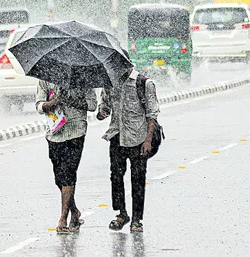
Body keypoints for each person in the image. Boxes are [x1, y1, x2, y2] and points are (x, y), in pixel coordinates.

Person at [98, 66, 160, 233]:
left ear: (128, 66)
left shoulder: (144, 83)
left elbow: (152, 114)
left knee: (138, 180)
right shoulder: (109, 83)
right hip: (116, 136)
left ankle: (137, 219)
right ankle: (121, 213)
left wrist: (148, 140)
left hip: (138, 138)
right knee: (116, 176)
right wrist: (102, 112)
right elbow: (105, 106)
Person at [36, 80, 97, 234]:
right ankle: (74, 211)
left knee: (69, 173)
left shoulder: (83, 77)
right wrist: (54, 102)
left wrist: (71, 100)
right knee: (59, 178)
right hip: (55, 133)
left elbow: (92, 105)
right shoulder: (45, 78)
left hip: (76, 131)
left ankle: (63, 218)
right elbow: (39, 105)